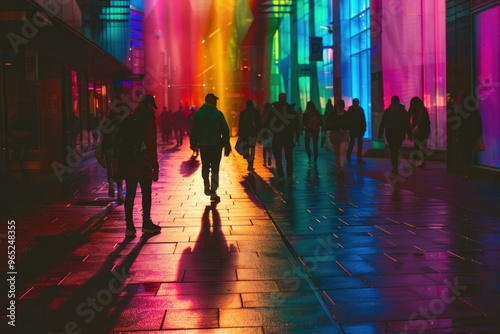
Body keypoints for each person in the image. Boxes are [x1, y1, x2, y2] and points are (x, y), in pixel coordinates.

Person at [121, 94, 161, 236]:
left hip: (128, 162)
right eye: (152, 106)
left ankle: (130, 227)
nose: (153, 109)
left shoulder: (131, 117)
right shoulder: (149, 118)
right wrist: (155, 166)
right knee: (146, 193)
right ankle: (146, 223)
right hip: (142, 162)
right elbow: (151, 144)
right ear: (150, 104)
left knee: (130, 194)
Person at [190, 93, 231, 203]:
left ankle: (206, 185)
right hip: (216, 146)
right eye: (215, 100)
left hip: (204, 146)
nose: (216, 102)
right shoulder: (218, 115)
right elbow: (226, 130)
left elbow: (194, 129)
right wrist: (226, 143)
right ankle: (213, 191)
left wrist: (193, 142)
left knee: (205, 166)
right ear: (211, 101)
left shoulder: (198, 114)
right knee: (215, 168)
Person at [378, 96, 412, 175]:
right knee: (396, 149)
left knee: (393, 149)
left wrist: (380, 134)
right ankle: (395, 163)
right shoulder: (403, 111)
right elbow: (407, 123)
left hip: (390, 133)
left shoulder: (388, 111)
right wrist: (409, 133)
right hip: (400, 133)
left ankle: (394, 165)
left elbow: (383, 123)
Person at [271, 92, 300, 184]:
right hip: (283, 137)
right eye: (281, 98)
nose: (282, 100)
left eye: (283, 98)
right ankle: (286, 176)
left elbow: (296, 124)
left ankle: (284, 176)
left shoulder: (275, 109)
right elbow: (296, 124)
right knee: (284, 157)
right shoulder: (289, 110)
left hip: (282, 137)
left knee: (285, 157)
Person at [101, 108, 124, 204]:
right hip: (117, 150)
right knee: (119, 171)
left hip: (107, 150)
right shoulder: (119, 125)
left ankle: (110, 184)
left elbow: (103, 139)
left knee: (110, 170)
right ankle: (119, 192)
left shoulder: (105, 124)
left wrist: (103, 151)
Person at [326, 99, 351, 177]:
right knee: (338, 152)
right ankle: (339, 166)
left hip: (341, 134)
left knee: (341, 151)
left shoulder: (334, 115)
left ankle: (341, 167)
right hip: (336, 134)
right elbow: (329, 123)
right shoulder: (333, 115)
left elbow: (329, 123)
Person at [237, 100, 262, 171]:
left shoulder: (244, 113)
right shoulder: (255, 113)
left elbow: (240, 124)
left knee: (247, 149)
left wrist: (240, 132)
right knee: (252, 148)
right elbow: (259, 123)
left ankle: (250, 162)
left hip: (247, 134)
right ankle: (250, 163)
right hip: (252, 133)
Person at [408, 96, 431, 168]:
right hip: (425, 130)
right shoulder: (423, 109)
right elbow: (427, 121)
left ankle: (413, 162)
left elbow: (408, 117)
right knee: (424, 146)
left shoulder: (413, 110)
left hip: (417, 131)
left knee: (416, 147)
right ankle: (423, 163)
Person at [346, 98, 367, 164]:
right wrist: (364, 128)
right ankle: (358, 158)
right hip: (358, 129)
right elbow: (363, 120)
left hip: (354, 129)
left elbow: (348, 120)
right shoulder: (360, 110)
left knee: (353, 143)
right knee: (358, 144)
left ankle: (349, 156)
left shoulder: (351, 110)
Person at [260, 102, 274, 167]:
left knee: (265, 148)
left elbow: (261, 124)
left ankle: (264, 160)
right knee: (270, 147)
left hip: (264, 132)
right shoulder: (272, 114)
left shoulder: (263, 114)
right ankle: (270, 157)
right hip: (271, 132)